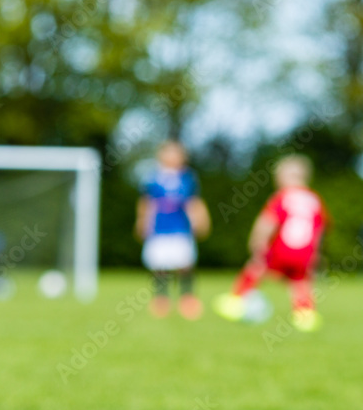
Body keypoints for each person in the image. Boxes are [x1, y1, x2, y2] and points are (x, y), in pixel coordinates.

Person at [213, 155, 328, 332]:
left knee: (256, 266)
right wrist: (316, 253)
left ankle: (236, 300)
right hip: (305, 251)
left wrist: (257, 241)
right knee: (300, 281)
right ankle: (305, 315)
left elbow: (268, 221)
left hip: (283, 248)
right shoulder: (314, 200)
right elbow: (319, 230)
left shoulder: (283, 197)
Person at [135, 141, 210, 319]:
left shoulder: (187, 178)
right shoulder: (153, 178)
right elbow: (147, 203)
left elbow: (193, 202)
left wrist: (199, 220)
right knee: (159, 265)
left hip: (180, 228)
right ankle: (161, 299)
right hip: (159, 229)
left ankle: (187, 298)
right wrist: (142, 222)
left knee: (185, 264)